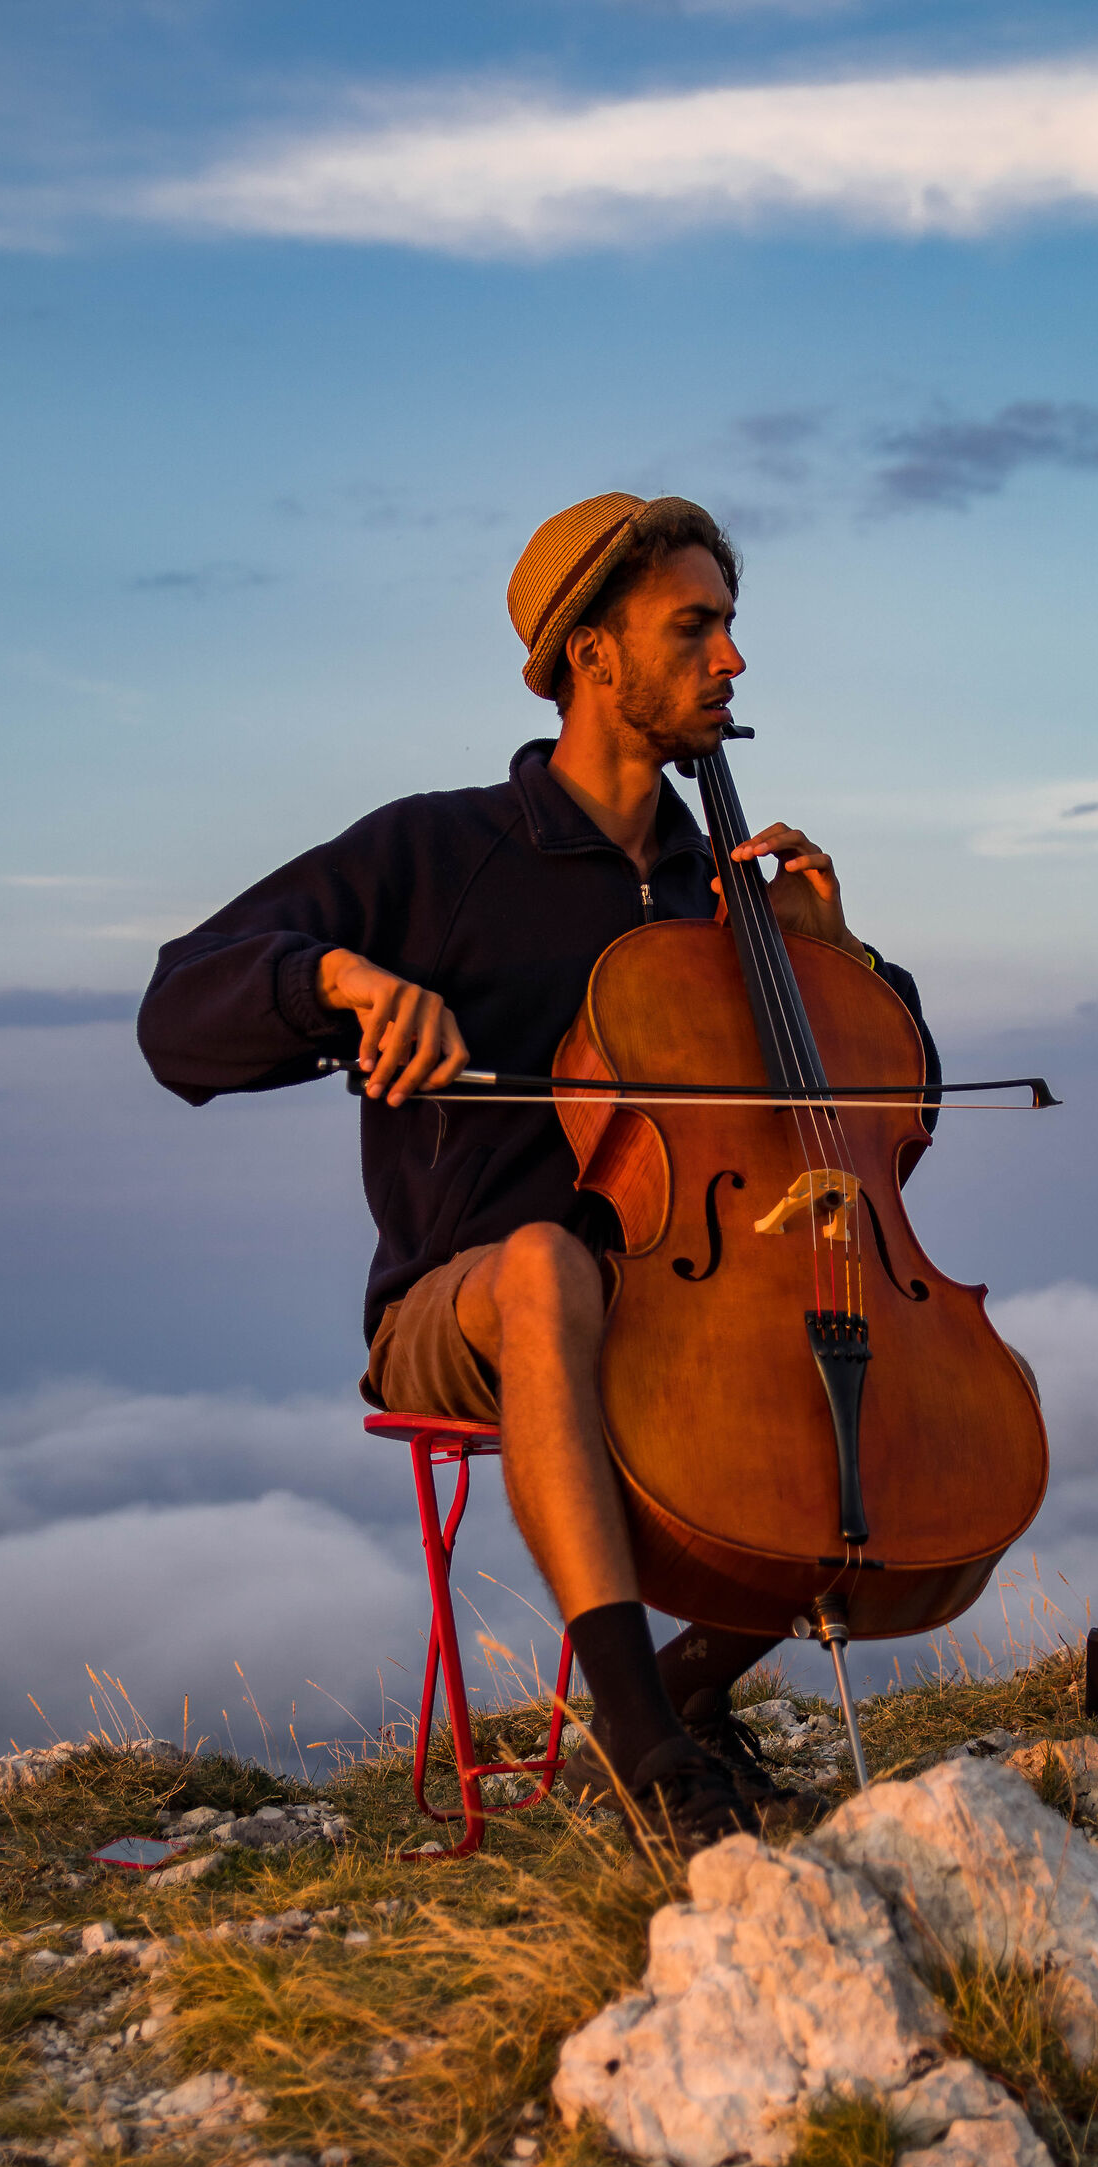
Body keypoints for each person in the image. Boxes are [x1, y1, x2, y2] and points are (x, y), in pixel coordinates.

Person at [138, 491, 942, 1851]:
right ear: (593, 655)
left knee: (851, 1374)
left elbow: (888, 1118)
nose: (732, 661)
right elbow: (179, 1013)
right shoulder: (440, 852)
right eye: (696, 629)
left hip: (677, 1316)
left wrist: (841, 958)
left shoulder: (724, 889)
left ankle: (679, 1695)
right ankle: (655, 1766)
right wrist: (340, 978)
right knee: (544, 1265)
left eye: (731, 629)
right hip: (459, 1313)